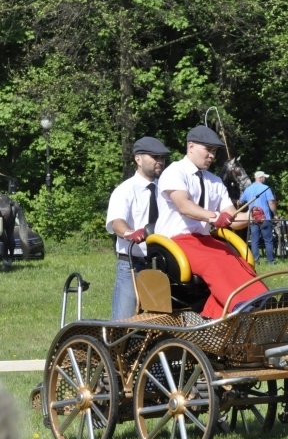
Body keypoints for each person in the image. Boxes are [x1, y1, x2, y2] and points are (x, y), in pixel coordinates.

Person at [154, 125, 268, 319]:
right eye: (208, 149)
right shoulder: (174, 172)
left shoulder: (214, 181)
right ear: (191, 146)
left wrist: (250, 217)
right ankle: (241, 305)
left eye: (214, 151)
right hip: (175, 241)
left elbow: (231, 217)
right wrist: (214, 216)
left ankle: (262, 299)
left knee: (236, 260)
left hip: (203, 239)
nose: (212, 156)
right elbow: (184, 206)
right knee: (213, 261)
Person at [106, 136, 169, 319]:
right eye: (155, 157)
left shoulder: (166, 191)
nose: (160, 161)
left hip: (162, 265)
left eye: (162, 158)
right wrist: (130, 233)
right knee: (124, 321)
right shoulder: (125, 190)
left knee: (158, 320)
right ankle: (115, 347)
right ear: (138, 159)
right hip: (132, 264)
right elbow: (117, 222)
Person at [240, 170, 278, 265]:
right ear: (260, 178)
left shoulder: (248, 189)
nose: (265, 179)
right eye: (264, 177)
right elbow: (271, 203)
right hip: (265, 218)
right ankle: (270, 261)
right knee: (268, 240)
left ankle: (256, 261)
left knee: (254, 241)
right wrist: (275, 214)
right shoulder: (266, 188)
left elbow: (240, 202)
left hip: (253, 219)